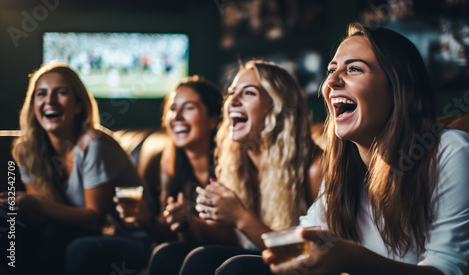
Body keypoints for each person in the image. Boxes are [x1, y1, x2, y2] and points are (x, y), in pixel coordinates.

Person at [218, 23, 469, 275]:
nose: (332, 82)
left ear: (398, 87)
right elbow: (302, 242)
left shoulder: (453, 154)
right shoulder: (345, 171)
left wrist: (354, 259)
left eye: (354, 69)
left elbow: (449, 270)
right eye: (331, 71)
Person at [148, 60, 323, 275]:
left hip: (294, 267)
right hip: (255, 257)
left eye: (249, 93)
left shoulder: (313, 167)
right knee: (169, 253)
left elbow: (311, 256)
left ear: (278, 106)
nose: (233, 101)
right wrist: (191, 222)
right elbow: (235, 239)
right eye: (231, 93)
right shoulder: (237, 162)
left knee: (235, 268)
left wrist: (241, 216)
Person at [65, 76, 223, 275]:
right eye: (173, 109)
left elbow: (233, 235)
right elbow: (169, 233)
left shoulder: (226, 167)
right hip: (175, 250)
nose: (177, 117)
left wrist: (190, 221)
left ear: (213, 119)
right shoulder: (171, 166)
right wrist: (148, 221)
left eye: (189, 108)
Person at [0, 62, 142, 275]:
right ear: (33, 105)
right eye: (41, 94)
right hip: (74, 233)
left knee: (67, 243)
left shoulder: (94, 144)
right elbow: (47, 213)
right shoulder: (27, 150)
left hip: (128, 237)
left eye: (61, 93)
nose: (49, 101)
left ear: (78, 106)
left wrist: (35, 205)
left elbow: (95, 220)